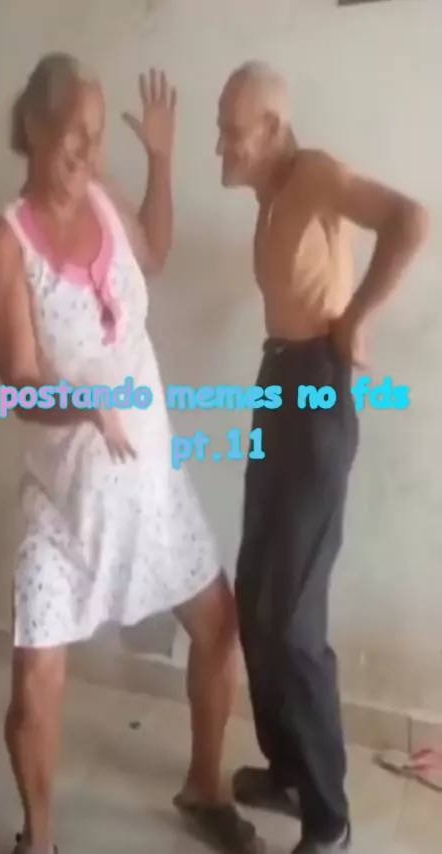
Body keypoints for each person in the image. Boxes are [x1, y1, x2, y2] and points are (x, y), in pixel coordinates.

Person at [0, 53, 264, 854]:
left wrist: (161, 159)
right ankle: (39, 837)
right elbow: (18, 386)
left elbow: (154, 254)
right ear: (34, 125)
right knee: (35, 688)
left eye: (98, 136)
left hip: (153, 484)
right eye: (76, 133)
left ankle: (204, 788)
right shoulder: (4, 242)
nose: (88, 151)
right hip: (67, 505)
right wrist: (86, 404)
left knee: (219, 625)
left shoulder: (102, 197)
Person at [216, 61, 429, 854]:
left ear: (273, 127)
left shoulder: (312, 175)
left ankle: (329, 818)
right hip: (279, 383)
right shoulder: (274, 196)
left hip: (315, 389)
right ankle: (289, 770)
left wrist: (357, 318)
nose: (220, 146)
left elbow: (410, 219)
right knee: (256, 591)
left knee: (293, 614)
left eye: (232, 130)